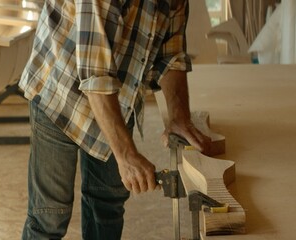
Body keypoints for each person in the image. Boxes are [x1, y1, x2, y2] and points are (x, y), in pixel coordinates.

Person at [17, 0, 211, 239]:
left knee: (106, 207)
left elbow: (172, 56)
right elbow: (95, 73)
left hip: (118, 96)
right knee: (49, 217)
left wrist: (179, 118)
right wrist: (126, 155)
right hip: (59, 91)